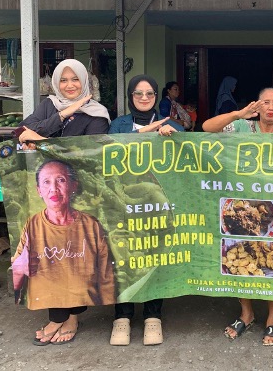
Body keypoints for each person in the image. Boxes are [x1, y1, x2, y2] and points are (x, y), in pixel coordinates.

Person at [203, 87, 273, 346]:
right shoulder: (241, 127)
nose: (270, 107)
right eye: (265, 103)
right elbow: (207, 128)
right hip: (242, 207)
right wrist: (238, 114)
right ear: (257, 106)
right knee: (241, 255)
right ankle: (246, 313)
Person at [16, 59, 111, 344]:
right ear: (57, 83)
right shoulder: (49, 105)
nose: (70, 85)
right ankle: (58, 317)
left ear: (85, 82)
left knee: (75, 254)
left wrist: (41, 139)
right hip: (48, 192)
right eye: (64, 80)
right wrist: (64, 113)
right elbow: (21, 132)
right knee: (49, 254)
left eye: (76, 79)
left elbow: (83, 153)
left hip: (78, 194)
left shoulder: (97, 114)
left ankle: (71, 317)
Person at [108, 75, 182, 346]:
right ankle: (122, 316)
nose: (144, 98)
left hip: (157, 201)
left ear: (156, 96)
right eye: (138, 93)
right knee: (123, 256)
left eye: (149, 93)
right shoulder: (118, 125)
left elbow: (187, 155)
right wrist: (144, 135)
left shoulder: (170, 124)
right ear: (130, 96)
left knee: (153, 254)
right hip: (123, 199)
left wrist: (172, 138)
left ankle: (153, 316)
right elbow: (106, 151)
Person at [11, 159, 116, 346]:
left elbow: (105, 274)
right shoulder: (33, 224)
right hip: (49, 290)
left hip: (81, 291)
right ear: (38, 190)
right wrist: (20, 268)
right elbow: (19, 268)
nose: (53, 189)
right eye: (46, 182)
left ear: (73, 185)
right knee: (53, 270)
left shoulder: (90, 224)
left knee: (78, 269)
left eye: (61, 180)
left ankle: (71, 318)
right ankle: (58, 318)